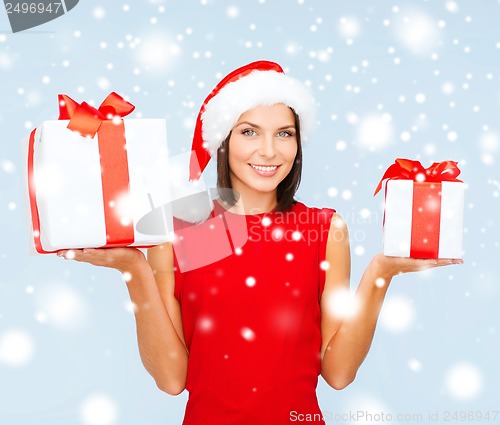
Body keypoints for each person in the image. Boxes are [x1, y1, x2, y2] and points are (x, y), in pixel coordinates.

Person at [57, 61, 463, 424]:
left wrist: (381, 273)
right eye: (249, 132)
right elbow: (170, 378)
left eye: (284, 133)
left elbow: (338, 374)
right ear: (224, 140)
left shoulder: (324, 229)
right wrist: (134, 270)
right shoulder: (180, 231)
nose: (269, 150)